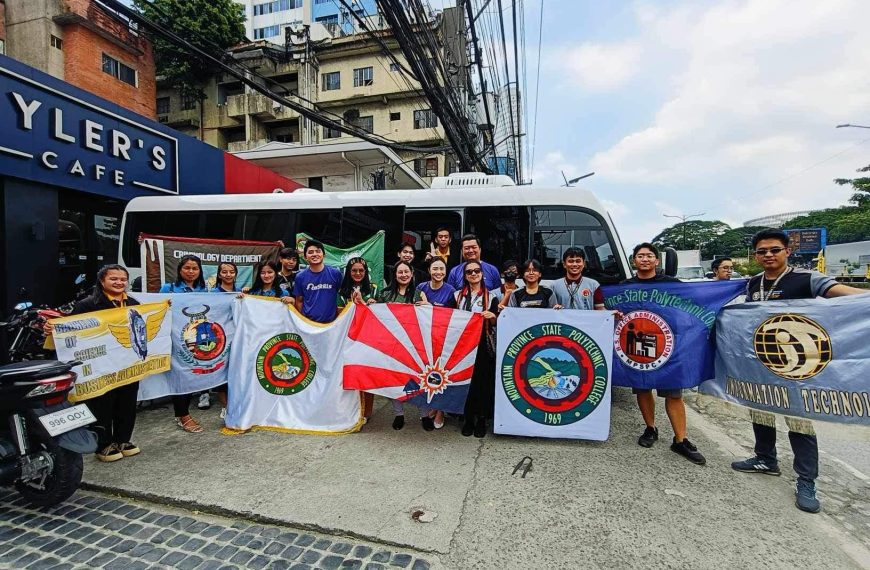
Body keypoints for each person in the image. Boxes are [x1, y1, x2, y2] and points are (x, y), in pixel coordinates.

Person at [731, 229, 866, 514]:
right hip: (761, 363)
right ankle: (765, 459)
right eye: (762, 251)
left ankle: (806, 481)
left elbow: (847, 296)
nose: (768, 255)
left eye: (774, 250)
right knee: (760, 411)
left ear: (787, 251)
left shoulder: (807, 279)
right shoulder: (752, 284)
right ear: (755, 256)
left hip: (798, 368)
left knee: (800, 423)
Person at [47, 265, 143, 462]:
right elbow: (70, 330)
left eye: (122, 279)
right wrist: (53, 328)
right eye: (113, 279)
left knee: (127, 402)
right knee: (102, 403)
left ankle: (123, 440)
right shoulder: (87, 304)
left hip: (127, 364)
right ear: (102, 281)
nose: (119, 283)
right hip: (101, 365)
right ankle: (104, 444)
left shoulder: (134, 303)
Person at [622, 243, 706, 465]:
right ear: (634, 261)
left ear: (657, 261)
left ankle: (681, 439)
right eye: (640, 256)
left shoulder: (672, 284)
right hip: (637, 347)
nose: (645, 259)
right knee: (642, 388)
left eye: (649, 256)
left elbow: (692, 305)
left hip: (667, 346)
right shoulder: (624, 286)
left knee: (673, 393)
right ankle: (650, 428)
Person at [376, 261, 429, 430]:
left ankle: (424, 416)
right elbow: (376, 316)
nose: (404, 275)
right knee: (395, 381)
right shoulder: (384, 295)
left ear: (412, 274)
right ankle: (399, 414)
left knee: (419, 381)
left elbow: (428, 318)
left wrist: (429, 307)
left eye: (407, 272)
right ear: (395, 274)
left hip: (415, 346)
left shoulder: (419, 294)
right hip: (392, 346)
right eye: (400, 272)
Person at [159, 255, 208, 432]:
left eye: (195, 268)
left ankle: (182, 413)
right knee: (180, 377)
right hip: (175, 339)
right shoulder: (168, 288)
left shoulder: (204, 290)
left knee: (190, 376)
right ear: (180, 269)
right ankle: (183, 415)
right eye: (187, 268)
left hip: (194, 340)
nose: (191, 272)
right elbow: (157, 311)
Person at [454, 260, 500, 438]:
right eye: (469, 272)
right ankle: (468, 418)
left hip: (482, 344)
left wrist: (492, 316)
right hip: (462, 344)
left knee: (482, 382)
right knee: (466, 382)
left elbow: (497, 322)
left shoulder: (492, 297)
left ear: (482, 274)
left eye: (476, 271)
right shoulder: (457, 295)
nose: (473, 274)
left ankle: (481, 419)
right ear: (465, 276)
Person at [209, 261, 238, 420]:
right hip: (219, 338)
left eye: (231, 272)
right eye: (224, 272)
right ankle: (225, 406)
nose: (228, 275)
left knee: (236, 371)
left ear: (235, 274)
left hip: (237, 337)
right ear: (219, 274)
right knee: (222, 372)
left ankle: (236, 403)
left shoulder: (241, 292)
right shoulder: (213, 294)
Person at [293, 240, 343, 323]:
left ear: (324, 255)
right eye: (311, 252)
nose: (314, 254)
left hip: (331, 324)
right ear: (305, 257)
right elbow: (299, 301)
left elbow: (342, 295)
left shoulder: (335, 273)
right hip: (309, 324)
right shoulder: (300, 277)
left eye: (318, 251)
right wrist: (304, 321)